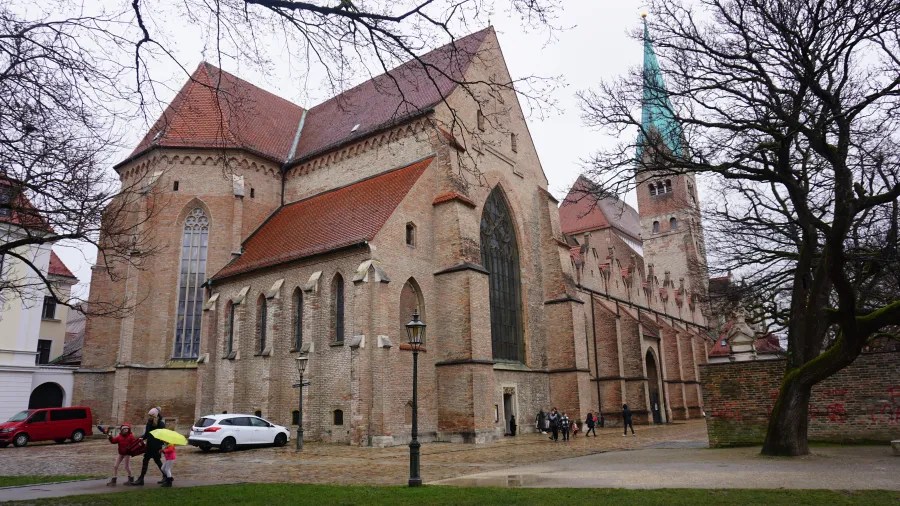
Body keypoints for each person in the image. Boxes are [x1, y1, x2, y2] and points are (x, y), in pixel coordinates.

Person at [129, 407, 166, 486]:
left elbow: (162, 435)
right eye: (149, 416)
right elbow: (146, 434)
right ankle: (141, 479)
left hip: (156, 446)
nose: (150, 417)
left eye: (151, 416)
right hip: (149, 445)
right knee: (145, 461)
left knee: (158, 461)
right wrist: (139, 439)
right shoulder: (149, 422)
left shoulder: (161, 423)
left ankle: (166, 476)